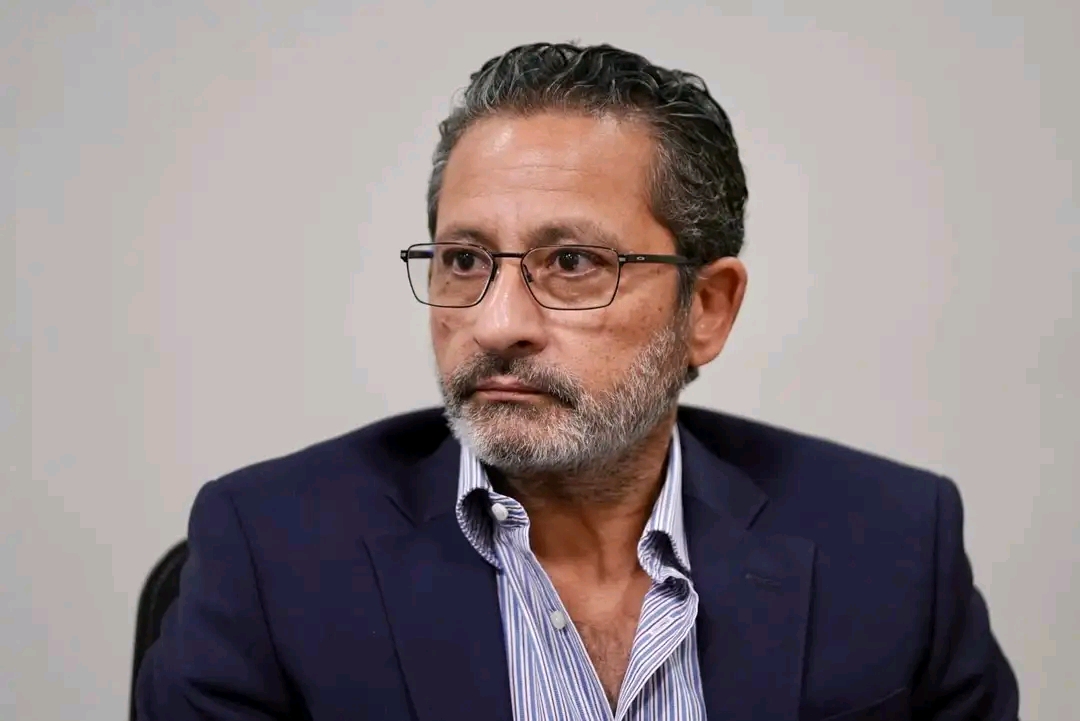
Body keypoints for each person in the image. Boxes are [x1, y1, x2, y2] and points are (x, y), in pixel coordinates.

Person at [135, 42, 1019, 721]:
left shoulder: (894, 544)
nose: (497, 323)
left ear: (707, 308)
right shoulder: (270, 553)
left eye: (570, 262)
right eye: (464, 259)